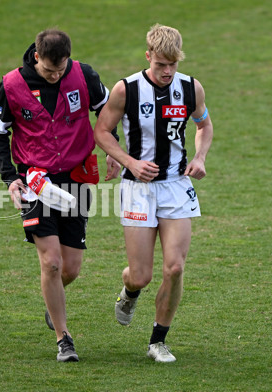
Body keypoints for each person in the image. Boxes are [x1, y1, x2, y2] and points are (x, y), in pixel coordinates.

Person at [0, 28, 119, 362]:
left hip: (77, 177)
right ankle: (64, 339)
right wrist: (9, 178)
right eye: (49, 70)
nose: (56, 75)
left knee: (71, 268)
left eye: (60, 70)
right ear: (36, 57)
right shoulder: (11, 85)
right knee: (52, 262)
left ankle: (52, 301)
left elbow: (107, 111)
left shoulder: (84, 75)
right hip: (35, 180)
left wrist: (112, 147)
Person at [93, 24, 213, 363]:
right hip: (138, 189)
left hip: (176, 186)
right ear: (148, 56)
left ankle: (158, 340)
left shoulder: (191, 87)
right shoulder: (126, 89)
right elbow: (101, 132)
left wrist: (201, 157)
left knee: (174, 268)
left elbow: (204, 124)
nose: (167, 71)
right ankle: (130, 291)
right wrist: (129, 161)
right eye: (160, 64)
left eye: (173, 64)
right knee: (141, 274)